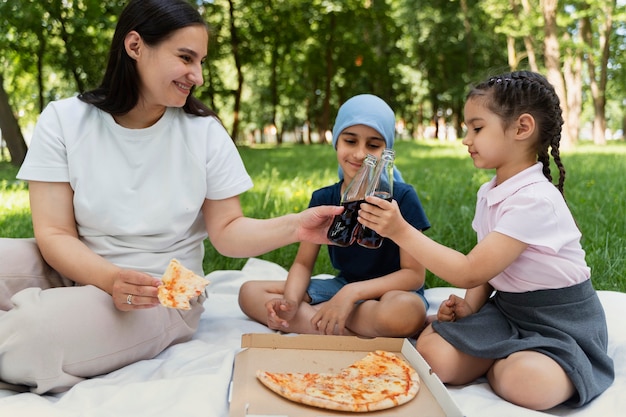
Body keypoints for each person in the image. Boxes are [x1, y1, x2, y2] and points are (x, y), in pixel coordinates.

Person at [0, 0, 341, 394]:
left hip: (162, 290)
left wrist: (297, 225)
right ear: (134, 46)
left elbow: (228, 231)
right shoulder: (63, 120)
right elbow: (55, 233)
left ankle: (41, 329)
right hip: (79, 264)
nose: (197, 75)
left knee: (33, 335)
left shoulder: (204, 133)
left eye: (201, 62)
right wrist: (109, 278)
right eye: (185, 58)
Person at [357, 71, 614, 410]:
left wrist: (402, 231)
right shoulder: (490, 193)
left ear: (522, 128)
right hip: (508, 311)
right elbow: (487, 269)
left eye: (477, 128)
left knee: (525, 383)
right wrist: (471, 307)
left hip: (561, 323)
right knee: (433, 354)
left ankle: (509, 363)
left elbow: (470, 270)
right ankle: (499, 355)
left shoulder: (536, 199)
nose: (467, 139)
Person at [238, 94, 430, 337]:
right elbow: (302, 263)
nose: (360, 154)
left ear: (386, 150)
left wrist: (350, 295)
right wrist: (291, 303)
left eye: (373, 145)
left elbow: (413, 275)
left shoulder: (401, 198)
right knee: (249, 293)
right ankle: (344, 327)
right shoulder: (323, 199)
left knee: (404, 312)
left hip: (393, 293)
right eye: (350, 141)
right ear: (337, 143)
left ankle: (322, 319)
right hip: (341, 287)